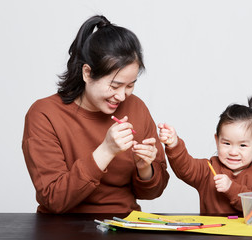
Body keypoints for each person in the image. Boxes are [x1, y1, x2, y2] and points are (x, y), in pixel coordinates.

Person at [22, 15, 169, 213]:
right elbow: (54, 199)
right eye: (115, 85)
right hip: (62, 227)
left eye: (130, 85)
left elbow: (153, 192)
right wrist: (106, 151)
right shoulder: (44, 114)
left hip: (123, 224)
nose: (122, 96)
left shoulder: (137, 108)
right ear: (87, 73)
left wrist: (145, 168)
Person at [158, 96, 252, 215]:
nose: (233, 152)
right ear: (217, 141)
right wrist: (174, 144)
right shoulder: (208, 169)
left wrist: (231, 187)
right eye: (226, 143)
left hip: (247, 234)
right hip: (211, 232)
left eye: (242, 145)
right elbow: (185, 168)